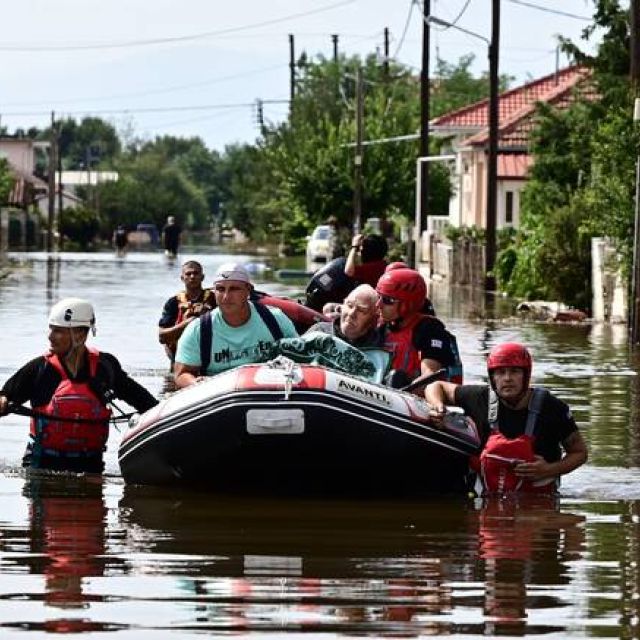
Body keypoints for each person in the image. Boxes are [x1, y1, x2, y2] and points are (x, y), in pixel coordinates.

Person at [0, 298, 158, 473]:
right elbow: (5, 394)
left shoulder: (105, 367)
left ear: (81, 335)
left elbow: (146, 404)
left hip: (91, 465)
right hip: (41, 465)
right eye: (51, 329)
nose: (50, 336)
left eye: (58, 331)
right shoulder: (39, 368)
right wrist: (3, 400)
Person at [424, 342, 588, 495]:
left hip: (538, 504)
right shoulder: (479, 398)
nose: (507, 378)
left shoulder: (553, 408)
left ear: (526, 376)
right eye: (501, 372)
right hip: (488, 499)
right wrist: (438, 407)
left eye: (515, 372)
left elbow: (580, 453)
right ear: (493, 378)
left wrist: (548, 470)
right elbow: (436, 386)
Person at [174, 262, 298, 388]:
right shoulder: (198, 330)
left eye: (234, 289)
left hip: (269, 390)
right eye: (221, 289)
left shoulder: (275, 319)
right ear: (214, 292)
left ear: (248, 290)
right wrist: (195, 383)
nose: (226, 297)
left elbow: (300, 359)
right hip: (220, 396)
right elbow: (181, 374)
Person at [376, 267, 462, 386]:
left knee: (396, 378)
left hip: (413, 394)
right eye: (378, 296)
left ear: (408, 303)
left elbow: (430, 375)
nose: (378, 304)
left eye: (387, 300)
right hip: (382, 389)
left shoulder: (429, 329)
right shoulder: (380, 326)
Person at [158, 260, 216, 365]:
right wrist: (190, 322)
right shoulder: (173, 302)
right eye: (188, 274)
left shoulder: (214, 299)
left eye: (196, 273)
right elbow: (162, 337)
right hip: (180, 356)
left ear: (202, 277)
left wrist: (207, 316)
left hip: (211, 352)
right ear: (182, 278)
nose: (192, 277)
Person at [307, 284, 381, 348]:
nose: (351, 313)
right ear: (342, 305)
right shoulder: (319, 331)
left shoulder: (379, 344)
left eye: (361, 310)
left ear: (373, 317)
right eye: (349, 305)